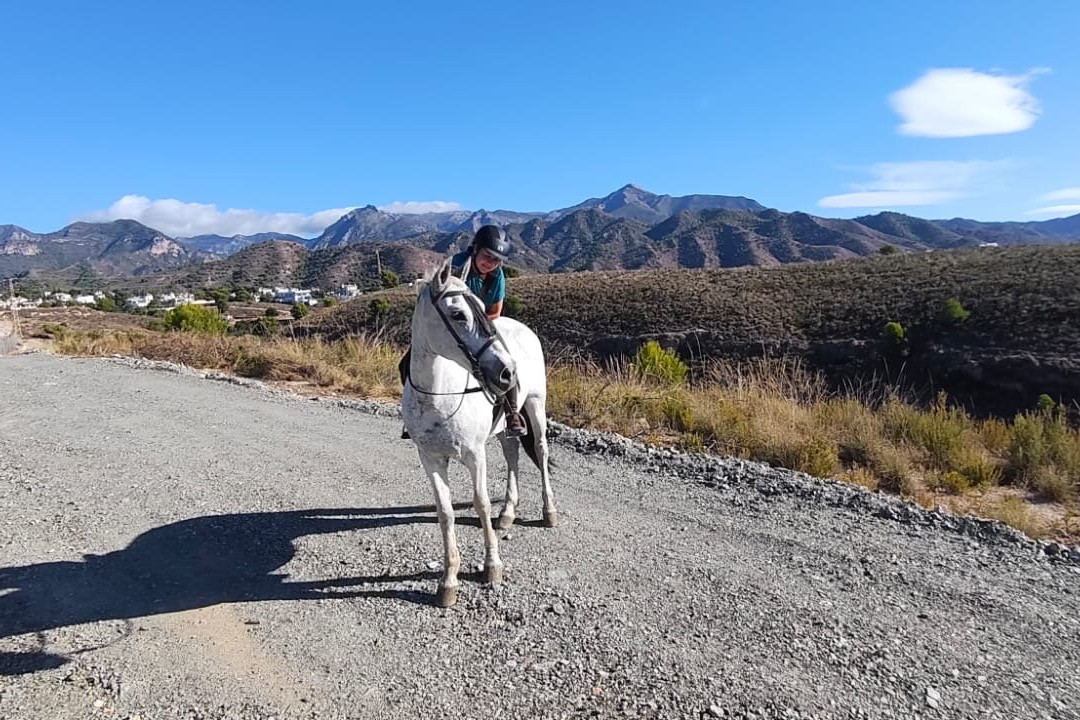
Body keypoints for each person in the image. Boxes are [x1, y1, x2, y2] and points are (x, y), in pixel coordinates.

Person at [400, 225, 527, 438]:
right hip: (451, 325)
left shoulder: (498, 276)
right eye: (487, 256)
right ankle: (413, 414)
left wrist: (478, 324)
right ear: (475, 249)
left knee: (507, 361)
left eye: (497, 260)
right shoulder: (457, 266)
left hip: (485, 323)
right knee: (405, 363)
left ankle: (512, 413)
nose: (491, 263)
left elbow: (496, 310)